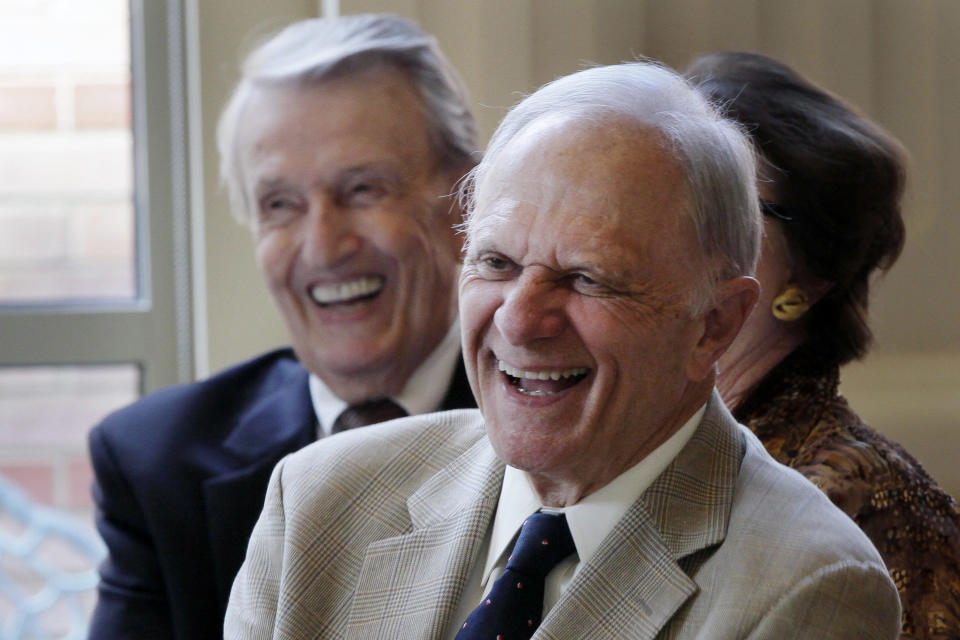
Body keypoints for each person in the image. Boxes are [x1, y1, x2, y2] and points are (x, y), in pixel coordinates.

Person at [225, 61, 901, 639]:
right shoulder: (320, 501)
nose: (519, 321)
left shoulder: (808, 586)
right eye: (495, 262)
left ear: (715, 324)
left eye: (585, 277)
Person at [87, 14, 478, 639]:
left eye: (362, 189)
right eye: (280, 206)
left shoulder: (555, 428)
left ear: (465, 201)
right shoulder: (157, 465)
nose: (323, 247)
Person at [686, 51, 960, 640]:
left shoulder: (867, 504)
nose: (674, 233)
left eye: (726, 206)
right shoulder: (639, 453)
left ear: (807, 278)